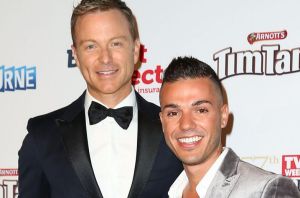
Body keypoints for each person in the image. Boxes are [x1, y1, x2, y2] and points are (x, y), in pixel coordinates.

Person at [18, 0, 182, 197]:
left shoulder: (174, 128)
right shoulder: (42, 137)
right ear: (76, 55)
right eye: (90, 46)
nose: (105, 58)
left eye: (116, 43)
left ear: (135, 49)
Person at [159, 56, 300, 198]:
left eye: (201, 110)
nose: (186, 124)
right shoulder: (168, 191)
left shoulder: (267, 190)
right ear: (162, 121)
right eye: (173, 113)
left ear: (223, 116)